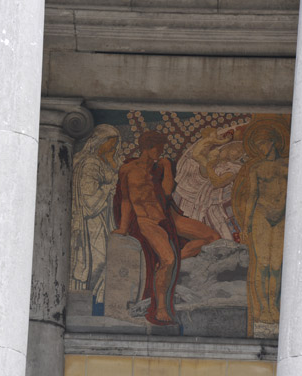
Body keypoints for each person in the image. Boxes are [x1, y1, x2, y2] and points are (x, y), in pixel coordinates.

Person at [113, 132, 220, 324]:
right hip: (146, 221)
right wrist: (123, 227)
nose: (160, 153)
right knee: (168, 260)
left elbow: (167, 191)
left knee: (212, 237)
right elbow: (126, 200)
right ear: (147, 147)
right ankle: (161, 308)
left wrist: (167, 167)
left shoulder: (160, 167)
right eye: (158, 149)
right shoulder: (127, 170)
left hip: (168, 216)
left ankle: (177, 256)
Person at [231, 118, 288, 332]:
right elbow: (252, 195)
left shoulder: (288, 164)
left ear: (272, 142)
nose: (260, 148)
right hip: (262, 216)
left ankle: (275, 307)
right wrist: (246, 226)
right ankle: (264, 309)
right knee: (263, 264)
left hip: (282, 217)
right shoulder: (257, 168)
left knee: (277, 266)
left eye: (263, 144)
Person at [70, 124, 121, 309]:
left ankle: (98, 304)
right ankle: (87, 305)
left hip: (104, 220)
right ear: (101, 141)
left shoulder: (104, 161)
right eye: (111, 144)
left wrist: (113, 164)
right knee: (97, 261)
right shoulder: (91, 163)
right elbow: (89, 200)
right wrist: (109, 188)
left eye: (116, 144)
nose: (114, 148)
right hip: (91, 223)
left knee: (106, 259)